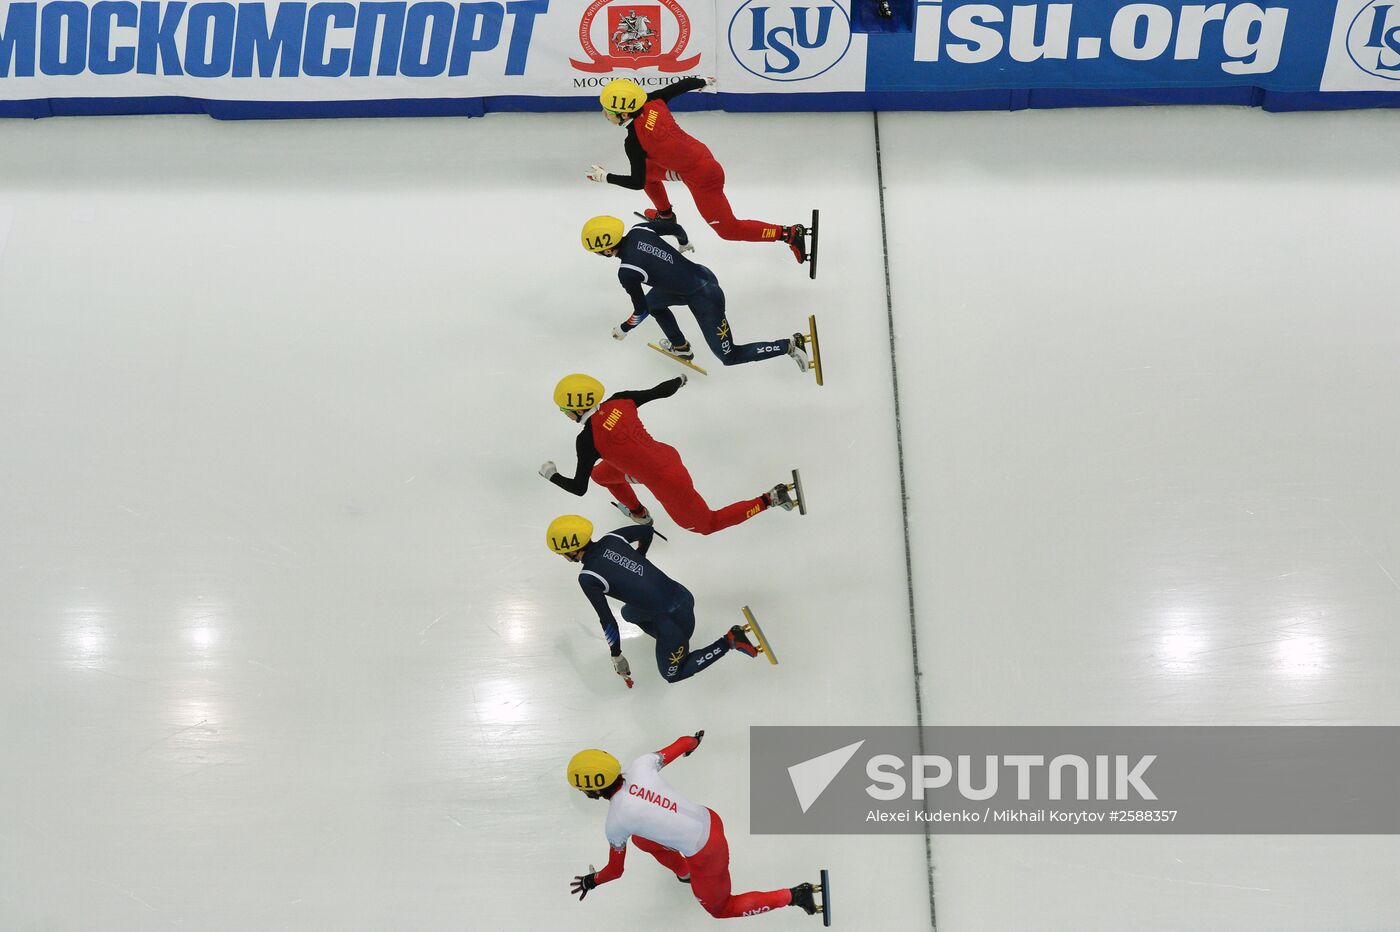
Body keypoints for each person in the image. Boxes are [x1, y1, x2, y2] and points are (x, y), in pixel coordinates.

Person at [566, 733, 824, 920]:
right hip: (711, 818)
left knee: (721, 909)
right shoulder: (642, 765)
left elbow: (615, 870)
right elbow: (681, 744)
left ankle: (794, 895)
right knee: (641, 839)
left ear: (594, 789)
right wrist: (694, 742)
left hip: (706, 854)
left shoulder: (616, 823)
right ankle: (684, 872)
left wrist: (592, 881)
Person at [585, 77, 810, 266]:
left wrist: (606, 177)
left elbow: (635, 181)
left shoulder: (633, 142)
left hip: (704, 179)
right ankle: (666, 216)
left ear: (624, 114)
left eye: (608, 111)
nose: (604, 114)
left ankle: (789, 233)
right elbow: (679, 87)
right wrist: (702, 81)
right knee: (649, 175)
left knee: (729, 230)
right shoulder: (652, 100)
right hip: (697, 158)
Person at [539, 373, 799, 535]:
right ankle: (639, 513)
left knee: (707, 525)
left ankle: (770, 498)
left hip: (668, 481)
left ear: (576, 407)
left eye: (564, 410)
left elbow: (578, 488)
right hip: (665, 456)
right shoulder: (619, 400)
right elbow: (658, 391)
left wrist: (551, 476)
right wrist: (679, 381)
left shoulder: (586, 440)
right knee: (601, 474)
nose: (564, 415)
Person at [545, 514, 757, 685]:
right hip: (683, 595)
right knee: (628, 612)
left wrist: (617, 656)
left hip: (675, 622)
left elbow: (607, 621)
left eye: (561, 553)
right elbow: (646, 530)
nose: (563, 557)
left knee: (672, 674)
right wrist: (639, 556)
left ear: (572, 550)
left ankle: (729, 640)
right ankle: (669, 641)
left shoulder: (588, 577)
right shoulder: (612, 538)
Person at [580, 214, 809, 371]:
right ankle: (681, 348)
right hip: (701, 275)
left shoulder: (627, 272)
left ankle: (789, 344)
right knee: (655, 304)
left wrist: (623, 328)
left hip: (707, 299)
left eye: (597, 252)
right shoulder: (639, 229)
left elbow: (639, 312)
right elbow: (676, 228)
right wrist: (683, 243)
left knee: (729, 357)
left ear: (607, 249)